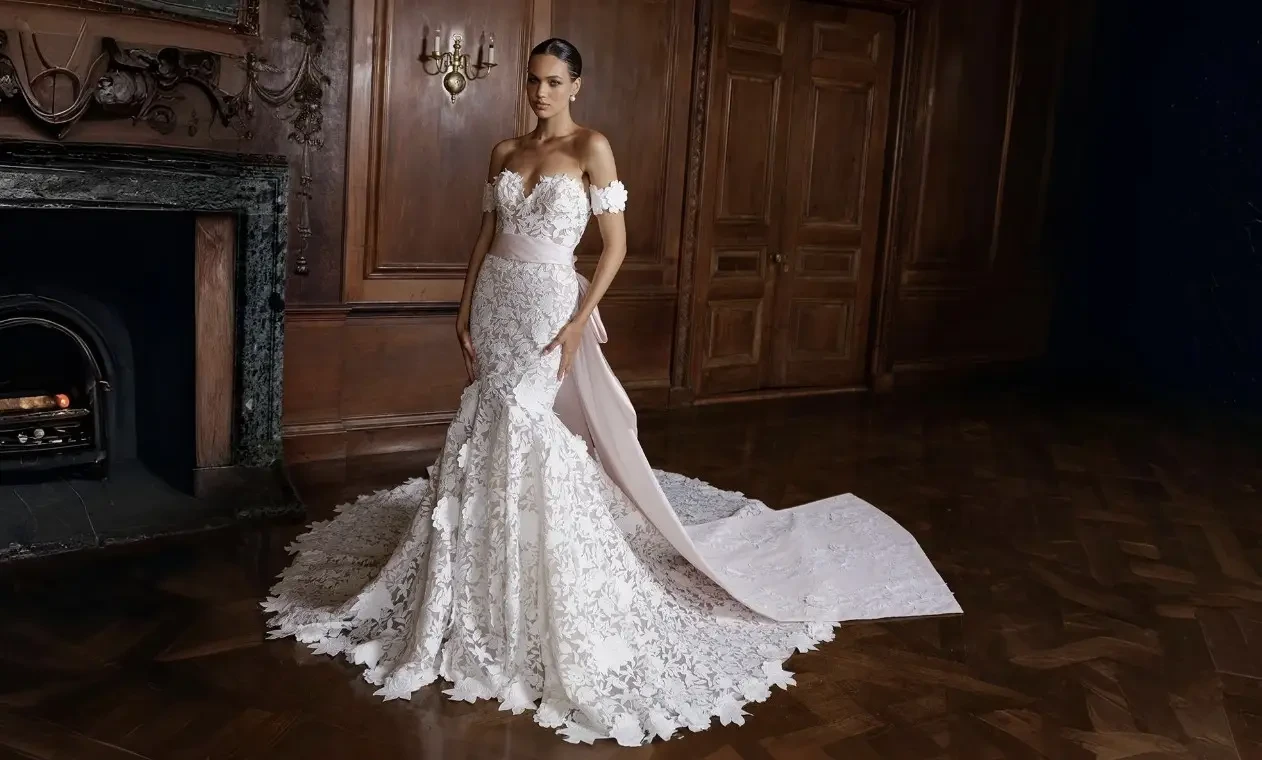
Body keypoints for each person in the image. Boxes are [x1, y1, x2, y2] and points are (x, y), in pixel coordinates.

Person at [263, 38, 960, 746]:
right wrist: (462, 304)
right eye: (533, 81)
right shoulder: (504, 150)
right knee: (484, 422)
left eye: (553, 82)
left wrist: (577, 321)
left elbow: (616, 245)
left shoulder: (593, 147)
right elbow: (484, 236)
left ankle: (540, 573)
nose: (539, 93)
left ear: (577, 85)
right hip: (500, 302)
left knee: (523, 423)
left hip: (550, 306)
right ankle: (469, 567)